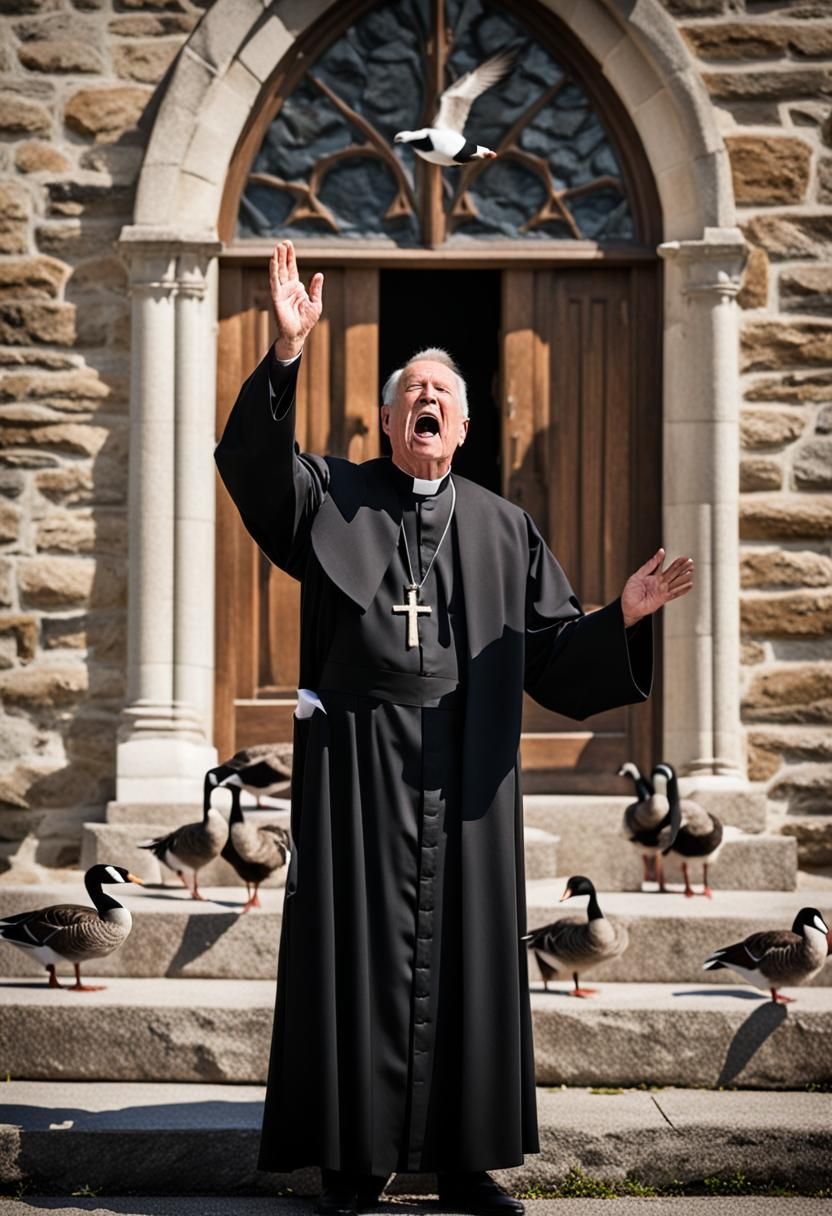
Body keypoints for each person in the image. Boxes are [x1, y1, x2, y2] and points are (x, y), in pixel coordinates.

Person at [215, 240, 694, 1215]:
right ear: (387, 418)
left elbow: (553, 653)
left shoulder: (502, 527)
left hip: (465, 777)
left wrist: (622, 618)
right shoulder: (332, 496)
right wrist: (286, 353)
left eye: (441, 391)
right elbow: (254, 474)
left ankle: (464, 1160)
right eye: (410, 392)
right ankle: (354, 1162)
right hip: (359, 777)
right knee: (357, 959)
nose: (425, 401)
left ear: (463, 425)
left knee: (468, 968)